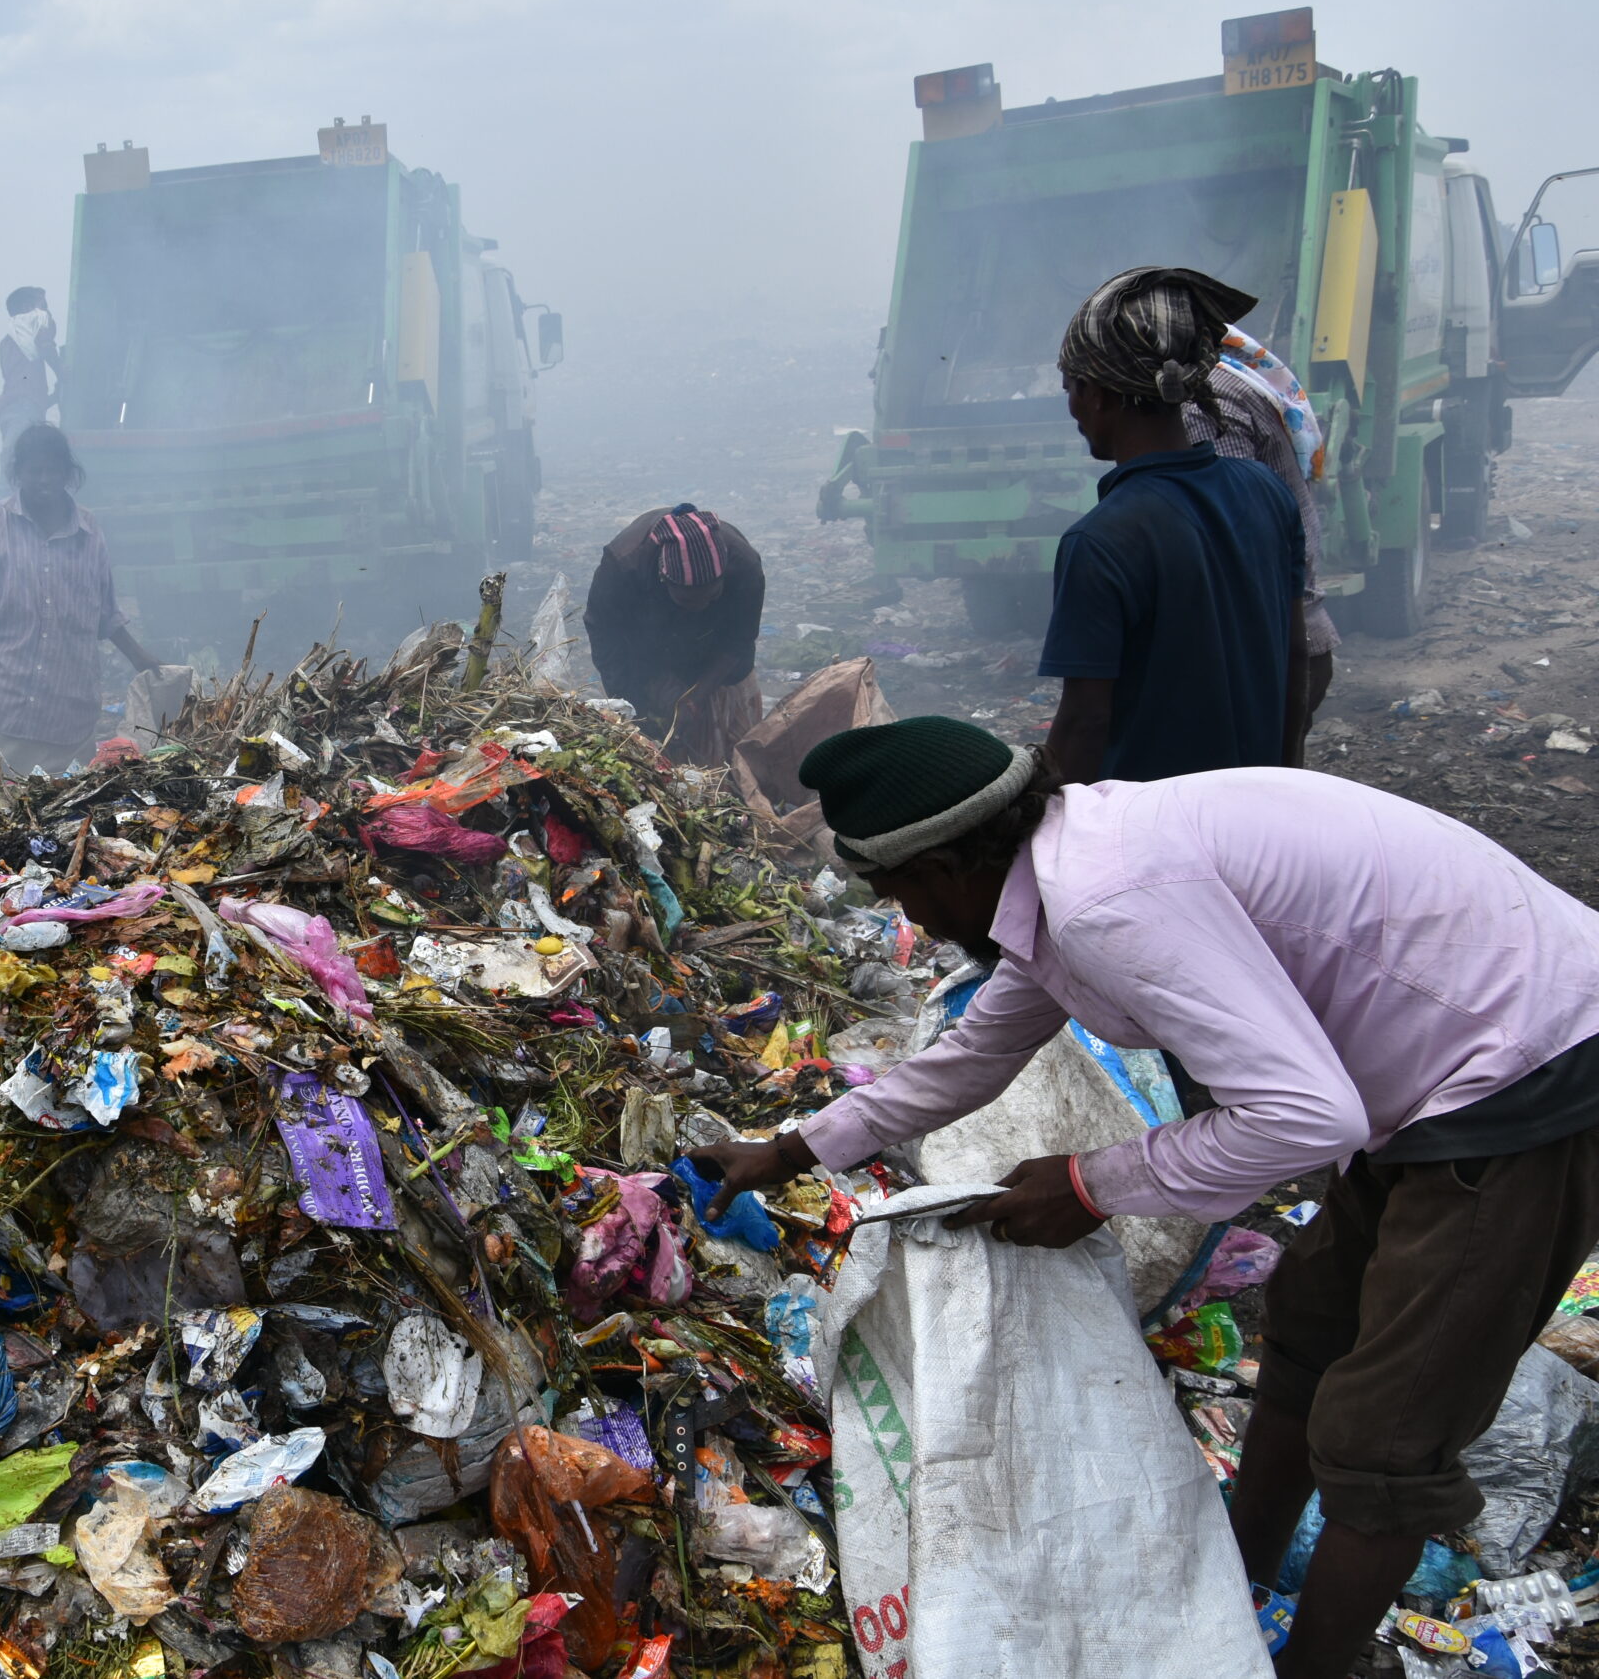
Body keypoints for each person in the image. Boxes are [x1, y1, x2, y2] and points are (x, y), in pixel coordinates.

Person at [681, 715, 1599, 1679]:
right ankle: (1226, 1590)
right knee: (1308, 1327)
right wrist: (787, 1149)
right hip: (1426, 1072)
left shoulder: (1104, 902)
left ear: (947, 861)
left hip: (1522, 1071)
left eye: (896, 888)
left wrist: (1092, 1184)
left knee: (1384, 1438)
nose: (907, 915)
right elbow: (976, 1054)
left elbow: (1303, 1118)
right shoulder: (1058, 873)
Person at [1041, 268, 1307, 783]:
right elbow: (1296, 656)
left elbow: (1086, 720)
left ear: (1096, 394)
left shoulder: (1099, 542)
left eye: (1071, 387)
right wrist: (1288, 781)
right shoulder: (1265, 491)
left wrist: (1041, 829)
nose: (1072, 406)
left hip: (1158, 833)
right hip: (1257, 810)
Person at [0, 424, 163, 777]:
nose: (44, 480)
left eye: (54, 471)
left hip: (70, 707)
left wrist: (139, 657)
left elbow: (105, 612)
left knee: (60, 812)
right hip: (7, 701)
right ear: (18, 472)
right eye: (35, 471)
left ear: (68, 474)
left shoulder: (88, 530)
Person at [1184, 327, 1340, 757]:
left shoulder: (1202, 401)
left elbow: (1241, 548)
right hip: (1291, 647)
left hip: (1264, 660)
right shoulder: (1234, 377)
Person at [580, 504, 767, 765]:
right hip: (645, 655)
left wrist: (695, 698)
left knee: (730, 754)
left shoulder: (744, 565)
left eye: (712, 597)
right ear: (663, 578)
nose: (701, 607)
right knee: (650, 748)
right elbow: (605, 636)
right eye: (688, 602)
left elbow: (740, 639)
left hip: (717, 663)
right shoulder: (624, 565)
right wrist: (634, 703)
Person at [0, 286, 61, 498]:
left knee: (19, 463)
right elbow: (46, 347)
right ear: (27, 307)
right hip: (22, 407)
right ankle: (0, 518)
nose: (46, 310)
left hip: (10, 409)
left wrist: (52, 398)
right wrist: (65, 373)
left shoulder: (7, 342)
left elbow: (21, 383)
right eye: (42, 305)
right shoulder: (35, 321)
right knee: (14, 462)